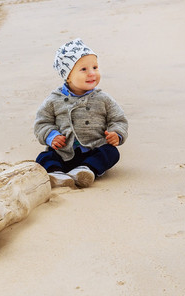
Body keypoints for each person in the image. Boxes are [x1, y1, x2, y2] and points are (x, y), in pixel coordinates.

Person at [34, 38, 128, 188]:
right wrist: (51, 136)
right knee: (44, 157)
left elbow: (118, 119)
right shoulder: (54, 100)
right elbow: (42, 122)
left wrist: (116, 133)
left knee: (111, 153)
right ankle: (56, 174)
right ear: (68, 76)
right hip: (64, 151)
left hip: (94, 148)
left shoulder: (103, 99)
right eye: (84, 69)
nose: (92, 73)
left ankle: (86, 170)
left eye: (95, 67)